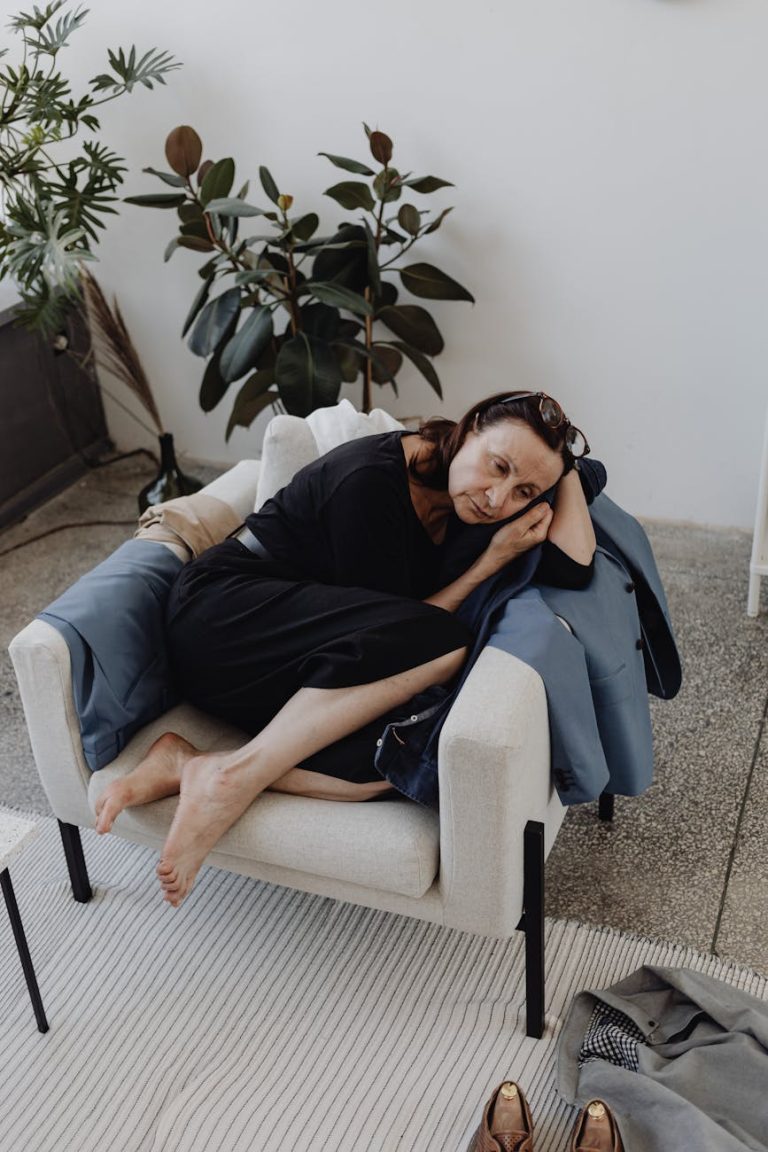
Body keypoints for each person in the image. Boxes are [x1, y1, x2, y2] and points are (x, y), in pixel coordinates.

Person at [94, 391, 596, 906]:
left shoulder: (467, 502)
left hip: (302, 666)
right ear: (467, 430)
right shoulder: (370, 483)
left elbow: (575, 567)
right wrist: (488, 564)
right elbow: (399, 637)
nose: (498, 499)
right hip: (223, 622)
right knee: (447, 643)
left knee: (403, 757)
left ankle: (194, 764)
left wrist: (566, 467)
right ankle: (231, 779)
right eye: (498, 466)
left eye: (524, 491)